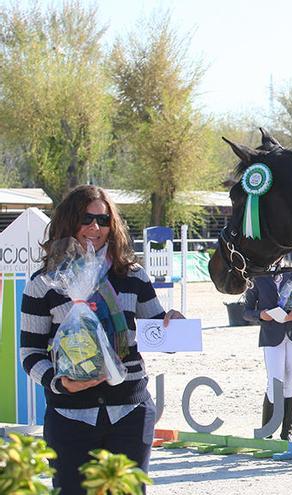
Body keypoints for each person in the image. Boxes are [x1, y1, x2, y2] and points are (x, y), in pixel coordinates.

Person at [20, 185, 184, 494]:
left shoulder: (134, 276)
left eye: (104, 219)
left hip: (131, 413)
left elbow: (158, 334)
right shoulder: (42, 283)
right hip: (70, 417)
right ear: (68, 222)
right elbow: (29, 352)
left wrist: (173, 326)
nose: (95, 227)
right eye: (86, 218)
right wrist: (59, 383)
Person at [243, 271, 292, 440]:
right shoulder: (257, 278)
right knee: (275, 381)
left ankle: (286, 433)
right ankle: (267, 433)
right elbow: (246, 311)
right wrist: (261, 315)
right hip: (271, 334)